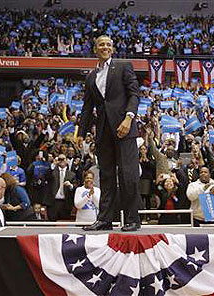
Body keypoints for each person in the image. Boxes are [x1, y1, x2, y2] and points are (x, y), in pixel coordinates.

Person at [79, 35, 142, 232]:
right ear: (95, 49)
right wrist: (81, 131)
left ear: (112, 49)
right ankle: (104, 219)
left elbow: (134, 94)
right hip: (103, 131)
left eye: (108, 44)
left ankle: (132, 219)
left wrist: (129, 117)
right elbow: (88, 107)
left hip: (125, 128)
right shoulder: (91, 76)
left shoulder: (123, 66)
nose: (105, 47)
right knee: (105, 176)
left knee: (128, 175)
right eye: (101, 44)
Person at [44, 154, 76, 221]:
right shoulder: (52, 172)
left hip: (66, 203)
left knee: (64, 224)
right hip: (53, 203)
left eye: (63, 159)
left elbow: (75, 187)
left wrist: (70, 185)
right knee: (51, 224)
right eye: (59, 159)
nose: (61, 161)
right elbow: (46, 177)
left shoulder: (72, 174)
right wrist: (53, 165)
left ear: (67, 160)